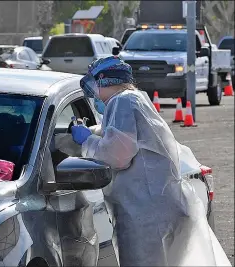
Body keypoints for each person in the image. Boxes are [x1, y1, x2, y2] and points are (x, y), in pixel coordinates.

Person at [70, 56, 230, 266]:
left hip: (147, 215)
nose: (92, 93)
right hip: (160, 209)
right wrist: (92, 132)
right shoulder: (134, 99)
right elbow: (124, 135)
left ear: (105, 80)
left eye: (93, 83)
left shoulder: (122, 101)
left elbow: (118, 155)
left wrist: (86, 140)